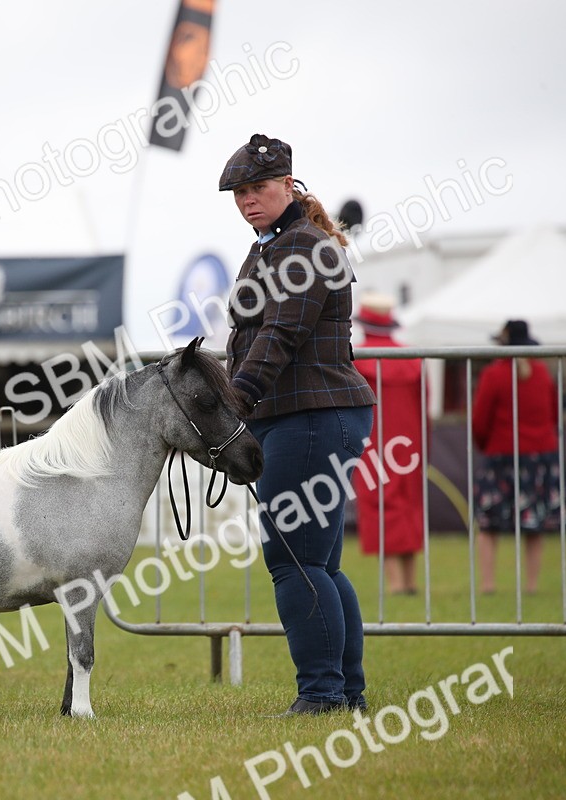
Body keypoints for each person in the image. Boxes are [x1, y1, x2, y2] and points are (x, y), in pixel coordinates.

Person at [220, 133, 376, 715]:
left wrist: (235, 401)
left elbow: (279, 335)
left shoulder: (303, 247)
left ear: (288, 183)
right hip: (301, 416)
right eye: (239, 192)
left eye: (257, 188)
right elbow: (248, 337)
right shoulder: (273, 245)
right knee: (319, 564)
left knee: (295, 561)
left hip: (312, 415)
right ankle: (344, 695)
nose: (246, 200)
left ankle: (323, 696)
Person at [472, 319, 566, 594]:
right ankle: (531, 586)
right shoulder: (541, 372)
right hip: (539, 458)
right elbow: (553, 415)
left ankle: (488, 584)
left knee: (488, 524)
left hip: (501, 457)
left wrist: (488, 446)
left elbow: (479, 420)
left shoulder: (494, 374)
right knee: (535, 524)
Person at [352, 293, 426, 596]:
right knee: (409, 505)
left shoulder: (356, 358)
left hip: (373, 442)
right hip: (409, 443)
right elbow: (425, 404)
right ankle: (409, 579)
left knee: (381, 504)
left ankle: (395, 582)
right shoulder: (412, 358)